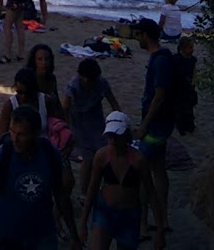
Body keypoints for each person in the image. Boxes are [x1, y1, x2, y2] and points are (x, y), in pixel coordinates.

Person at [0, 107, 81, 250]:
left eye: (22, 134)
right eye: (12, 132)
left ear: (36, 134)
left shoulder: (50, 155)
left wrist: (74, 235)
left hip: (43, 234)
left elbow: (60, 194)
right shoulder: (1, 156)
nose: (15, 139)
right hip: (8, 235)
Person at [131, 19, 174, 250]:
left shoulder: (159, 62)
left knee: (141, 172)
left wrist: (144, 125)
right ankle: (163, 220)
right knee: (159, 170)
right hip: (163, 125)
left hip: (156, 126)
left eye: (138, 35)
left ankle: (143, 225)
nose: (137, 39)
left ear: (146, 36)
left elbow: (159, 96)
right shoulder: (163, 57)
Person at [81, 112, 146, 250]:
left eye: (117, 136)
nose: (113, 141)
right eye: (110, 136)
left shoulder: (138, 160)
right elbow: (92, 189)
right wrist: (83, 222)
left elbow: (150, 192)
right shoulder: (102, 156)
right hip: (105, 210)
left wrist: (159, 228)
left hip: (129, 213)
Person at [66, 58, 122, 196]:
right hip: (78, 120)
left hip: (95, 119)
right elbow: (65, 108)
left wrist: (119, 123)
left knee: (102, 154)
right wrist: (68, 130)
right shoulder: (73, 86)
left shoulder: (101, 83)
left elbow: (113, 103)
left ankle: (99, 187)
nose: (87, 82)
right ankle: (85, 193)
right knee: (88, 157)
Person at [27, 43, 65, 118]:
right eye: (39, 59)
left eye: (47, 59)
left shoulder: (51, 78)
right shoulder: (29, 80)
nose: (44, 63)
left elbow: (57, 104)